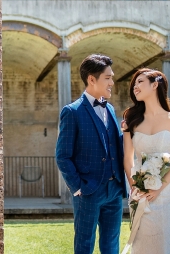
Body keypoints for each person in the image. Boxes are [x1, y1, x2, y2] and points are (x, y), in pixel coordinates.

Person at [56, 54, 126, 254]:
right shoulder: (72, 111)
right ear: (92, 79)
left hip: (114, 190)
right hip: (88, 191)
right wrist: (78, 187)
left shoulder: (110, 109)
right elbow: (63, 155)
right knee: (84, 245)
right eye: (107, 78)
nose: (112, 82)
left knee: (111, 245)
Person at [122, 68, 170, 254]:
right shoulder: (131, 120)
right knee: (143, 245)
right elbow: (128, 158)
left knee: (168, 245)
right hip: (141, 196)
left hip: (169, 194)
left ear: (155, 85)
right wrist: (135, 187)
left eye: (140, 82)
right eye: (134, 84)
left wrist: (159, 188)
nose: (135, 87)